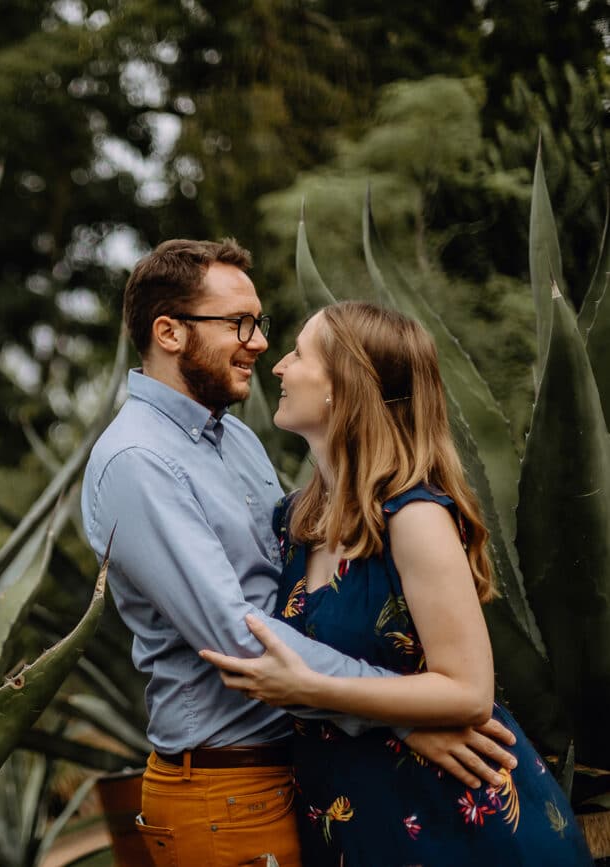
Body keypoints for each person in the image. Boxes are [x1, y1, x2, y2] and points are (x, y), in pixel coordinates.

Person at [81, 240, 517, 867]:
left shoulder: (234, 438)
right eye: (239, 323)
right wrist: (406, 711)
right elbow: (241, 639)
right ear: (169, 332)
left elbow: (306, 588)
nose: (261, 343)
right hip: (227, 788)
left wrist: (403, 706)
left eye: (258, 323)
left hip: (311, 773)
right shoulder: (137, 462)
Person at [200, 301, 591, 865]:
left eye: (300, 354)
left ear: (345, 386)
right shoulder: (295, 521)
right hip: (358, 824)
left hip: (457, 829)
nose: (278, 365)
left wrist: (310, 689)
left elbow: (468, 692)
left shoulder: (413, 517)